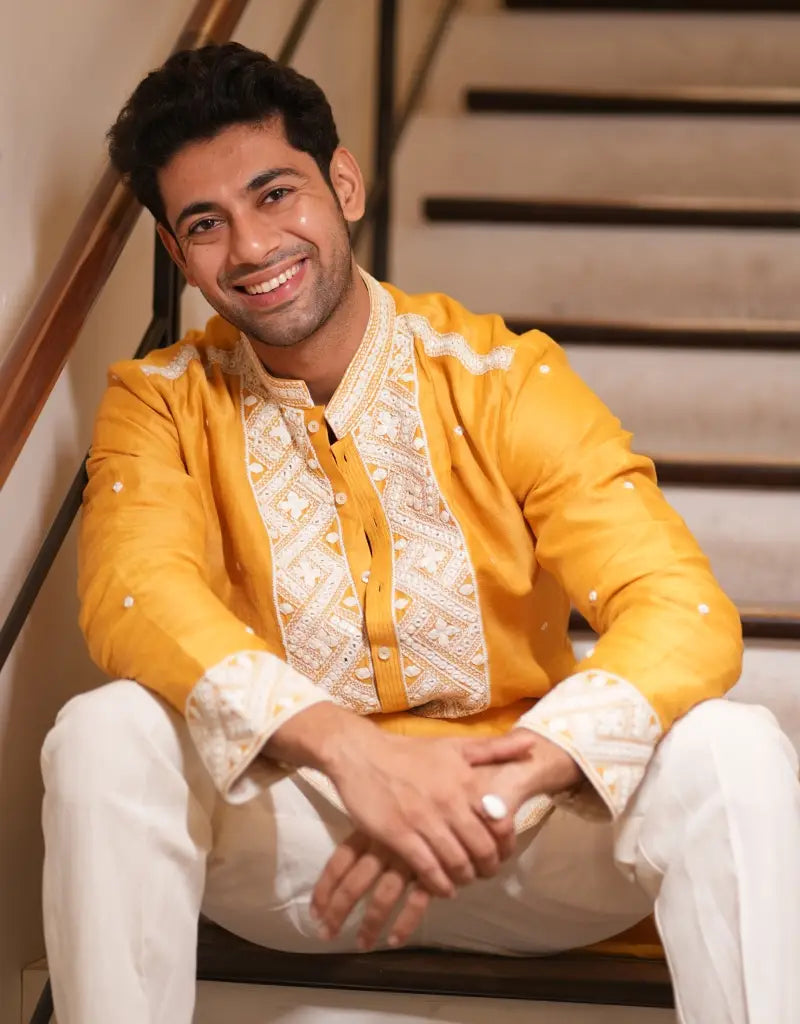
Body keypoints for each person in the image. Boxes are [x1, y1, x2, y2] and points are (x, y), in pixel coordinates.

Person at [41, 42, 800, 1024]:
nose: (252, 245)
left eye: (275, 194)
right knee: (103, 733)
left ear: (344, 185)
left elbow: (677, 605)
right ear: (179, 256)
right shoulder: (158, 403)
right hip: (302, 847)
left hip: (521, 831)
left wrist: (516, 773)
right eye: (206, 223)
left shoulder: (501, 379)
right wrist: (351, 757)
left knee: (733, 745)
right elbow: (136, 598)